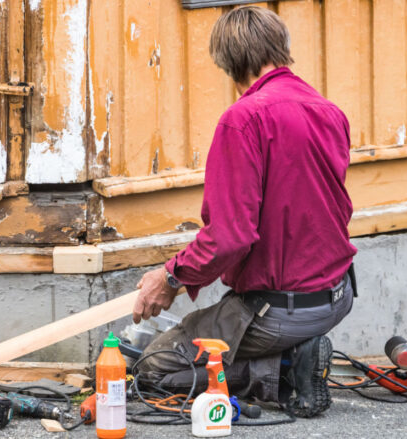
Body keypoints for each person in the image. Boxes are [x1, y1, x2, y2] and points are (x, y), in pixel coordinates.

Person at [131, 6, 357, 418]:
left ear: (228, 63)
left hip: (277, 312)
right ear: (281, 48)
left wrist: (170, 277)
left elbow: (230, 237)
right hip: (337, 297)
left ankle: (285, 368)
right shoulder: (330, 112)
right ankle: (295, 353)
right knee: (209, 327)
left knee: (152, 368)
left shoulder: (242, 119)